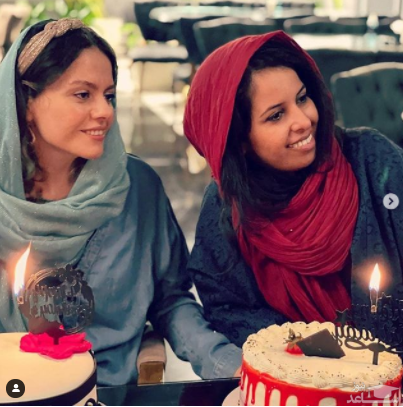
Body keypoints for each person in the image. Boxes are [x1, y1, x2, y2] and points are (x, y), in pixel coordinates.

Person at [0, 18, 242, 385]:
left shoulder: (137, 188)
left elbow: (170, 301)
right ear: (27, 101)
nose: (105, 112)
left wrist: (226, 363)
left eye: (109, 95)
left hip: (109, 390)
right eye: (83, 94)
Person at [183, 31, 403, 349]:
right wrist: (317, 353)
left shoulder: (372, 160)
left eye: (302, 98)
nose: (303, 120)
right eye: (276, 115)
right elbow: (228, 309)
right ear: (239, 139)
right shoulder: (226, 209)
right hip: (294, 374)